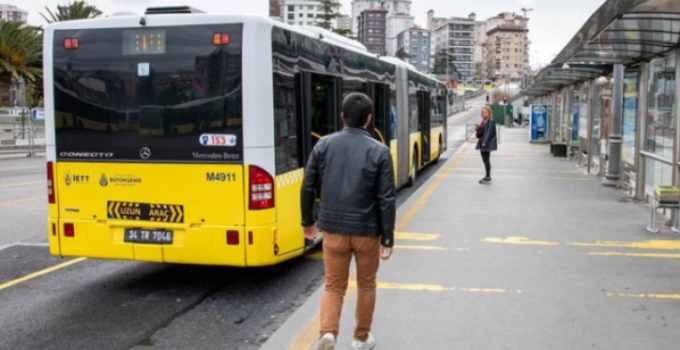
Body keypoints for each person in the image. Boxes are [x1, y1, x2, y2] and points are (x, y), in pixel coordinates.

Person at [301, 93, 396, 350]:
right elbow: (386, 198)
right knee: (366, 285)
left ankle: (328, 334)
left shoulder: (323, 145)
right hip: (367, 231)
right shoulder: (380, 151)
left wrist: (307, 221)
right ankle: (361, 338)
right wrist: (387, 237)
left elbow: (308, 186)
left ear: (342, 116)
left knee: (333, 286)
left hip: (333, 230)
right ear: (368, 119)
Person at [475, 106, 498, 184]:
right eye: (483, 112)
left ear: (489, 113)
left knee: (486, 160)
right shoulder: (483, 121)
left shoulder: (490, 121)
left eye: (486, 112)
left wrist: (485, 142)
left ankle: (488, 177)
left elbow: (489, 133)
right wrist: (478, 129)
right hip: (482, 143)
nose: (484, 113)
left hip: (486, 144)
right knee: (484, 160)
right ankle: (487, 176)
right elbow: (480, 134)